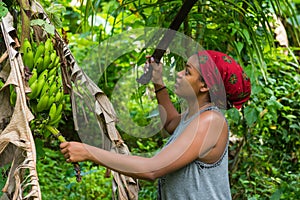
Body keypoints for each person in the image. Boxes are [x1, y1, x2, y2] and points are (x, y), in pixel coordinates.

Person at [60, 50, 251, 199]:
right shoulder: (195, 116)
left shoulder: (210, 123)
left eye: (187, 72)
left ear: (205, 86)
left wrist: (89, 152)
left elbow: (153, 169)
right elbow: (170, 123)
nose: (178, 74)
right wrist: (158, 81)